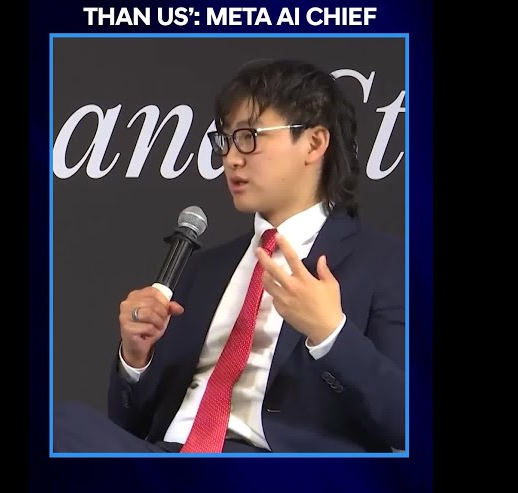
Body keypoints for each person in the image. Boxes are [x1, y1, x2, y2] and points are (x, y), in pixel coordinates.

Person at [53, 58, 404, 453]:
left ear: (314, 143)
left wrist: (330, 334)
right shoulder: (205, 269)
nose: (232, 158)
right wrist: (136, 359)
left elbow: (407, 422)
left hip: (280, 475)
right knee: (59, 426)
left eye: (250, 137)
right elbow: (131, 427)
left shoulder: (386, 263)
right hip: (168, 461)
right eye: (225, 140)